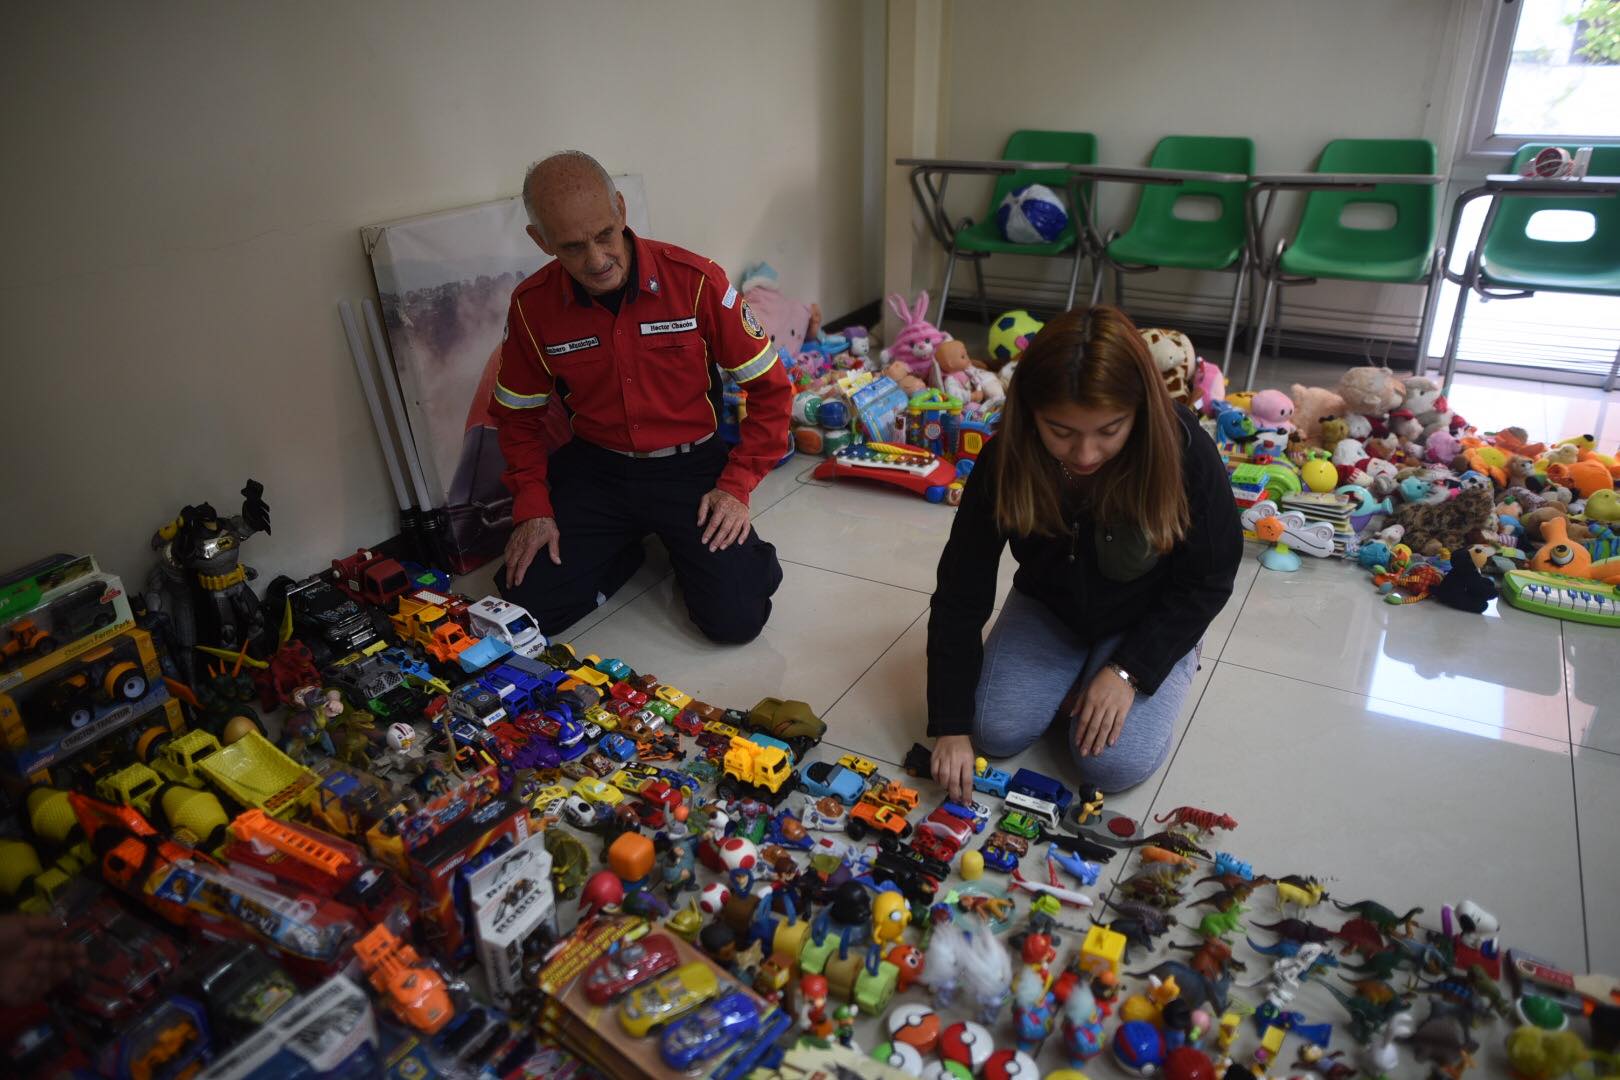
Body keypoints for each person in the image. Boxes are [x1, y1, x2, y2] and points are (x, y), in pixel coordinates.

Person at [926, 306, 1243, 803]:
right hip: (1051, 603)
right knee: (991, 732)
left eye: (1108, 431)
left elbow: (1208, 580)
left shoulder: (1185, 452)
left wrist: (1129, 670)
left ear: (1139, 411)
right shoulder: (1006, 457)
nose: (1086, 455)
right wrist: (948, 725)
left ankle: (1155, 657)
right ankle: (1077, 670)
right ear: (1031, 411)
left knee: (1112, 765)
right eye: (1062, 431)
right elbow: (961, 588)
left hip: (1150, 613)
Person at [491, 152, 791, 643]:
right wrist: (533, 507)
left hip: (689, 468)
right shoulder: (532, 307)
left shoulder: (696, 282)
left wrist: (736, 487)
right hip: (599, 470)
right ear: (540, 241)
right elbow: (515, 419)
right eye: (570, 246)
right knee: (524, 607)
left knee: (735, 621)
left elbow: (771, 390)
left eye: (604, 235)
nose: (596, 260)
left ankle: (746, 560)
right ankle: (628, 546)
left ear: (622, 211)